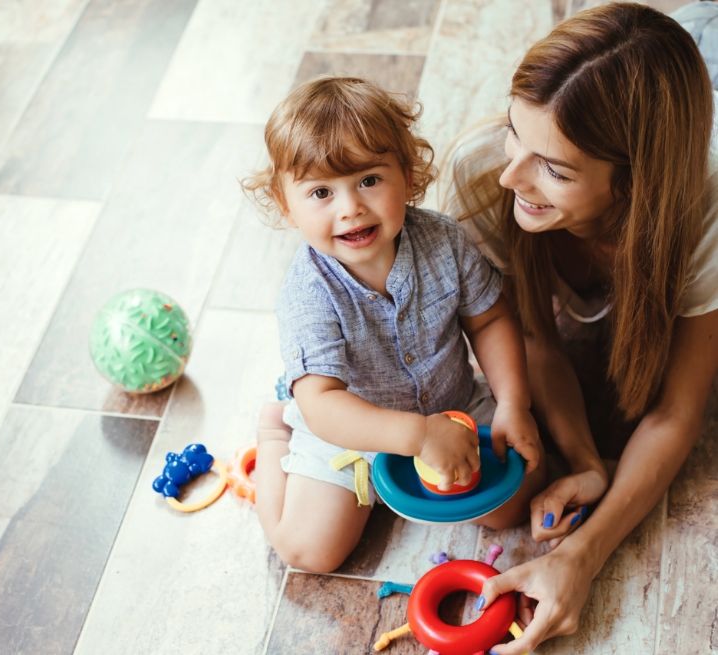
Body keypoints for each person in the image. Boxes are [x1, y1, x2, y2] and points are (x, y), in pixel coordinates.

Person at [442, 3, 718, 652]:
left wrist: (584, 556)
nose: (513, 176)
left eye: (555, 170)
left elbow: (679, 410)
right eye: (517, 132)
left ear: (633, 189)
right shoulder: (483, 173)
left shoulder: (704, 208)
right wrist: (590, 461)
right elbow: (533, 336)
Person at [242, 76, 545, 573]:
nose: (350, 207)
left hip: (453, 405)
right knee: (309, 551)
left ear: (407, 173)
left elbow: (490, 320)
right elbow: (323, 403)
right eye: (321, 192)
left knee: (517, 498)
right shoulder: (308, 292)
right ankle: (275, 430)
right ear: (285, 204)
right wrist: (417, 436)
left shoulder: (444, 241)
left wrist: (513, 403)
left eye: (368, 180)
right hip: (346, 432)